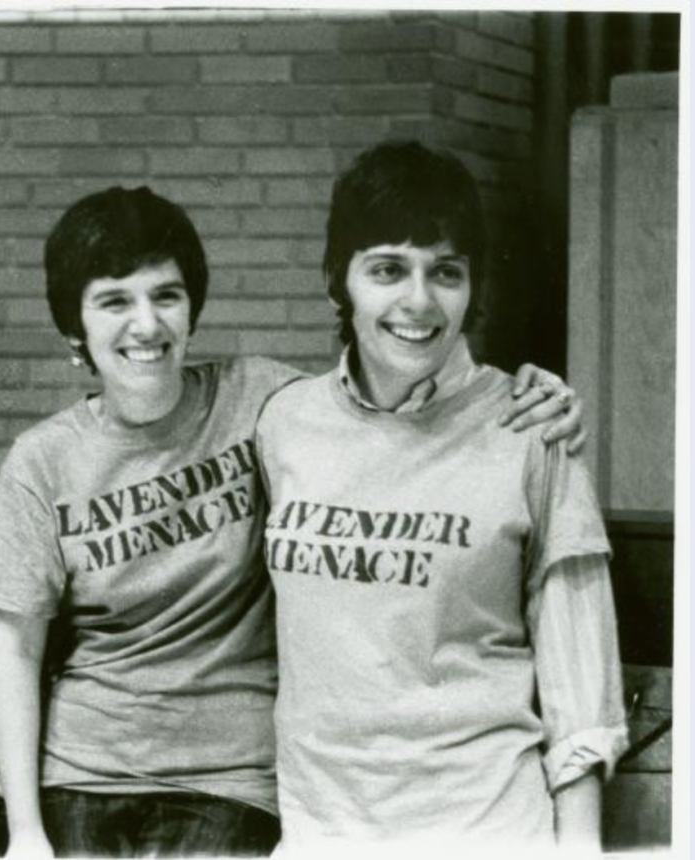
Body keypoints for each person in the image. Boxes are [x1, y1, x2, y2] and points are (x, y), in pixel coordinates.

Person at [0, 186, 587, 858]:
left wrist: (531, 391)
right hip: (84, 770)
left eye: (166, 296)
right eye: (114, 301)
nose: (146, 325)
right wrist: (24, 831)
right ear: (76, 327)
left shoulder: (268, 404)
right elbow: (14, 652)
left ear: (192, 309)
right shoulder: (41, 461)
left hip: (233, 780)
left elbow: (381, 404)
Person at [255, 141, 628, 848]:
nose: (419, 302)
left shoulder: (532, 431)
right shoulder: (282, 422)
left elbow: (583, 705)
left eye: (445, 272)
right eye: (389, 269)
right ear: (339, 278)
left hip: (485, 829)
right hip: (319, 834)